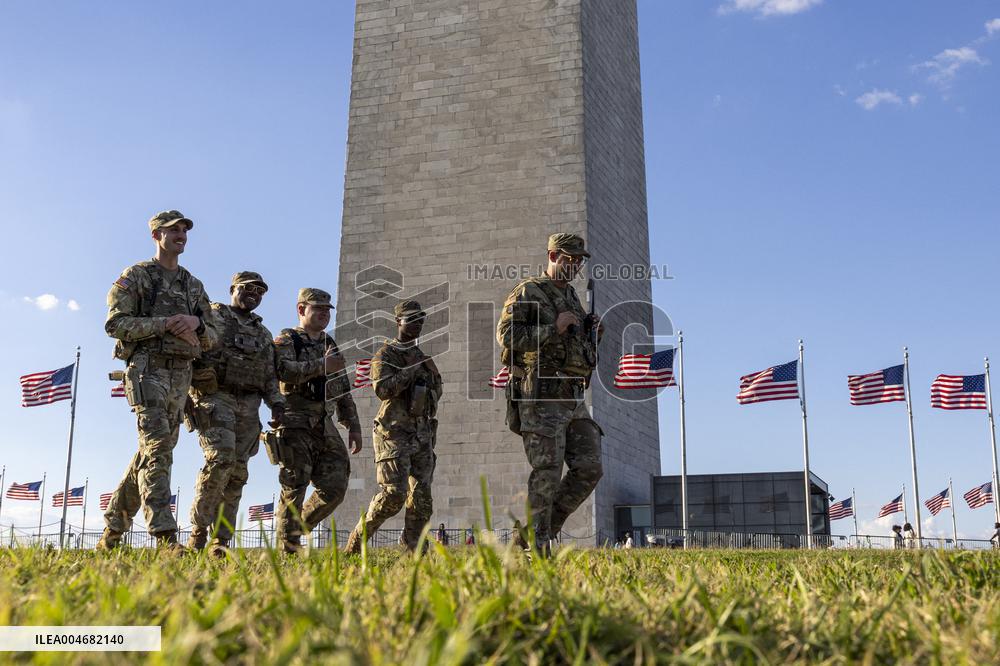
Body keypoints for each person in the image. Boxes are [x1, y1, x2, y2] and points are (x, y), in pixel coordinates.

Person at [98, 210, 220, 551]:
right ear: (156, 236)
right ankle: (165, 537)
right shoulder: (137, 276)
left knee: (152, 452)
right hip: (147, 369)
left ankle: (112, 531)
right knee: (158, 450)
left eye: (184, 230)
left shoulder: (193, 285)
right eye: (173, 230)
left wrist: (196, 325)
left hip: (181, 375)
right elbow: (115, 324)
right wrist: (166, 323)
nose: (181, 235)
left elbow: (213, 335)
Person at [496, 233, 604, 555]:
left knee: (589, 468)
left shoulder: (571, 296)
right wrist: (552, 328)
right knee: (547, 472)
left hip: (572, 397)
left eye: (579, 261)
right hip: (541, 396)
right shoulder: (529, 291)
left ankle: (533, 534)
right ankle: (534, 548)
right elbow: (507, 335)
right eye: (569, 259)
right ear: (553, 255)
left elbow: (575, 345)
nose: (575, 266)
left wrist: (591, 331)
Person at [186, 272, 285, 555]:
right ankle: (198, 531)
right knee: (220, 460)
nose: (253, 294)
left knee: (238, 473)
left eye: (260, 291)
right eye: (247, 288)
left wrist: (277, 404)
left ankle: (221, 541)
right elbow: (192, 354)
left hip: (250, 406)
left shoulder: (263, 334)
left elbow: (269, 375)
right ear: (233, 289)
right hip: (217, 397)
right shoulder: (214, 317)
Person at [344, 301, 443, 554]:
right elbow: (383, 389)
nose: (417, 324)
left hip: (422, 433)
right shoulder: (386, 355)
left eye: (421, 319)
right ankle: (357, 541)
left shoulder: (425, 359)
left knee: (422, 499)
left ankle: (414, 550)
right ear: (398, 321)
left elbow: (436, 392)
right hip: (394, 433)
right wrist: (409, 370)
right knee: (393, 495)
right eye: (411, 319)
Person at [273, 288, 362, 554]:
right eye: (317, 309)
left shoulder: (329, 344)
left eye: (327, 310)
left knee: (335, 485)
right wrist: (321, 366)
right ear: (301, 310)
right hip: (295, 420)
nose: (324, 314)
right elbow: (283, 371)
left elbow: (342, 388)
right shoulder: (288, 339)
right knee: (294, 486)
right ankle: (288, 549)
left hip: (325, 422)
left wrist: (353, 424)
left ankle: (296, 531)